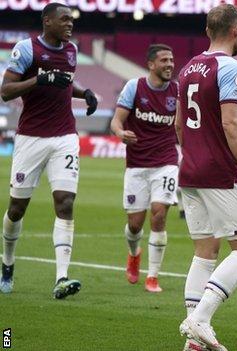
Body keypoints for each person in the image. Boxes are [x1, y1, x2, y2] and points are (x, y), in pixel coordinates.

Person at [176, 4, 237, 350]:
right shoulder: (230, 68)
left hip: (190, 170)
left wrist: (194, 153)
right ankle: (200, 319)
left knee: (204, 251)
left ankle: (193, 342)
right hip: (219, 172)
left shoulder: (186, 68)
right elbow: (231, 122)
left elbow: (179, 124)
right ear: (236, 30)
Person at [0, 2, 98, 298]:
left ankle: (61, 277)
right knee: (17, 209)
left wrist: (85, 93)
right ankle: (7, 262)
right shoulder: (26, 49)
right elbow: (5, 92)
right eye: (65, 19)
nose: (70, 24)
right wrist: (37, 79)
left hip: (65, 136)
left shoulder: (71, 50)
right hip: (31, 138)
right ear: (47, 22)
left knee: (65, 202)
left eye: (72, 19)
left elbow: (64, 83)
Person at [110, 44, 178, 293]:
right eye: (164, 60)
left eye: (171, 60)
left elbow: (182, 125)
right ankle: (133, 253)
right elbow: (116, 120)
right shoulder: (134, 87)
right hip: (137, 164)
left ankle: (153, 276)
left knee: (159, 214)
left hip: (167, 162)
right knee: (135, 224)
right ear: (151, 64)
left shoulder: (177, 91)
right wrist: (120, 132)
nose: (170, 64)